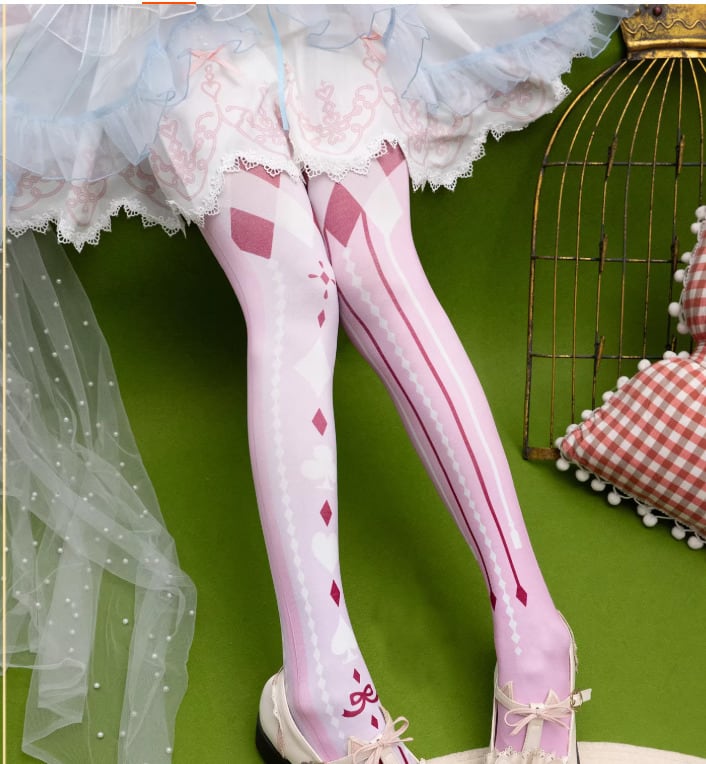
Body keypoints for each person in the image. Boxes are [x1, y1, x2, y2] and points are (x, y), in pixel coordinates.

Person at [3, 6, 630, 763]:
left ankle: (533, 626)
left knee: (377, 268)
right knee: (295, 286)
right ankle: (323, 686)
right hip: (167, 33)